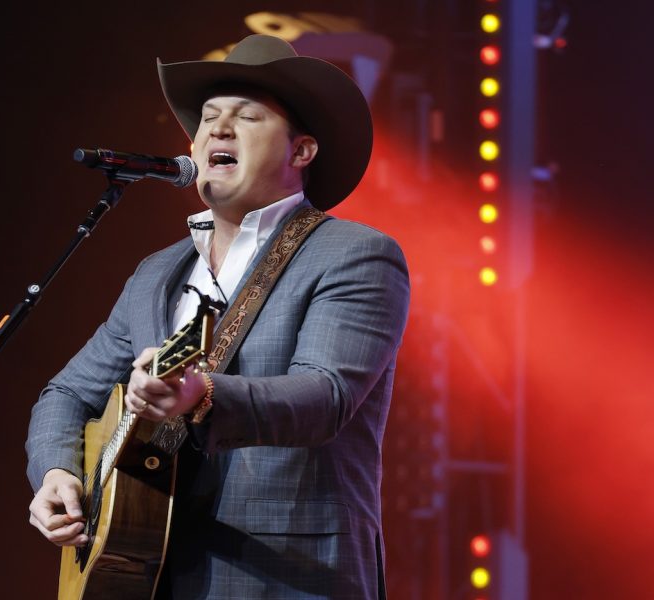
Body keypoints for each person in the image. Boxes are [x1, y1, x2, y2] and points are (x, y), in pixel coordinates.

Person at [26, 34, 409, 599]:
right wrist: (57, 474)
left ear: (301, 152)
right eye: (207, 119)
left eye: (246, 117)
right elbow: (65, 393)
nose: (217, 131)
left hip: (287, 573)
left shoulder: (354, 254)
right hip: (148, 571)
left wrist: (200, 395)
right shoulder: (157, 273)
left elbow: (324, 397)